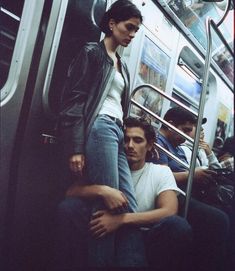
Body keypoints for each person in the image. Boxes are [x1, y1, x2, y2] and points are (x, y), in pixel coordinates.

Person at [58, 0, 144, 267]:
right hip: (100, 128)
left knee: (127, 203)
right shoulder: (93, 53)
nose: (131, 35)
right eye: (128, 28)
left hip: (117, 130)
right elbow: (75, 100)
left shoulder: (121, 64)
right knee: (107, 206)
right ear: (111, 23)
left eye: (135, 31)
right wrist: (76, 146)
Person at [55, 117, 193, 270]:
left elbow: (169, 210)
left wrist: (120, 220)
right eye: (126, 140)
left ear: (149, 145)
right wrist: (102, 191)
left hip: (142, 235)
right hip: (102, 230)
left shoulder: (159, 171)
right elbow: (71, 192)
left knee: (178, 226)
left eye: (138, 140)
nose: (130, 146)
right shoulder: (107, 165)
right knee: (69, 207)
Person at [151, 106, 230, 271]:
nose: (187, 136)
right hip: (172, 195)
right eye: (185, 130)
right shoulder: (158, 143)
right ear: (170, 124)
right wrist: (192, 175)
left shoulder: (177, 147)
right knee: (219, 220)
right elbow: (159, 176)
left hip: (187, 190)